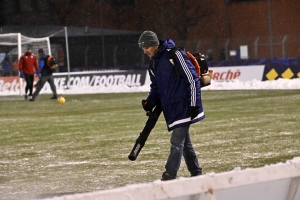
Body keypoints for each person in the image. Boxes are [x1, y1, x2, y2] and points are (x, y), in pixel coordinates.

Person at [138, 31, 205, 181]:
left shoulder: (175, 55)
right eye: (143, 48)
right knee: (185, 143)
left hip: (185, 106)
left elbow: (192, 79)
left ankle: (169, 174)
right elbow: (156, 87)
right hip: (172, 109)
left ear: (155, 44)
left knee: (176, 141)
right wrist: (150, 102)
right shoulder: (153, 63)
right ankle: (196, 172)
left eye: (147, 47)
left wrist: (194, 104)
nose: (145, 51)